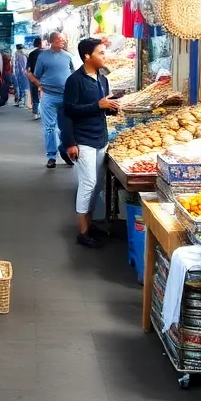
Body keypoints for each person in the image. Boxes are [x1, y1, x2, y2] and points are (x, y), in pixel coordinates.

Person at [61, 37, 120, 248]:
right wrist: (70, 142)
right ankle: (83, 231)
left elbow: (101, 108)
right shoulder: (74, 80)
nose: (105, 56)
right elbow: (68, 111)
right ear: (87, 56)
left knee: (97, 185)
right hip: (83, 139)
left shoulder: (102, 79)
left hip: (101, 137)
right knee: (87, 184)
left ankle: (91, 222)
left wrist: (111, 107)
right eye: (101, 53)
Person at [31, 31, 76, 168]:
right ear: (52, 41)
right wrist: (39, 85)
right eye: (59, 39)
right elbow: (36, 75)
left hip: (66, 96)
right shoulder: (43, 56)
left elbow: (74, 75)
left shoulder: (68, 56)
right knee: (50, 127)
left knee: (66, 127)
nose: (62, 42)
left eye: (63, 40)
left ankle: (65, 151)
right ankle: (51, 156)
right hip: (49, 96)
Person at [26, 37, 44, 120]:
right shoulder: (44, 53)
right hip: (44, 77)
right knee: (45, 94)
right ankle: (43, 111)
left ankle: (36, 112)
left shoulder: (31, 54)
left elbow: (28, 68)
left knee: (34, 95)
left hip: (33, 77)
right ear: (40, 44)